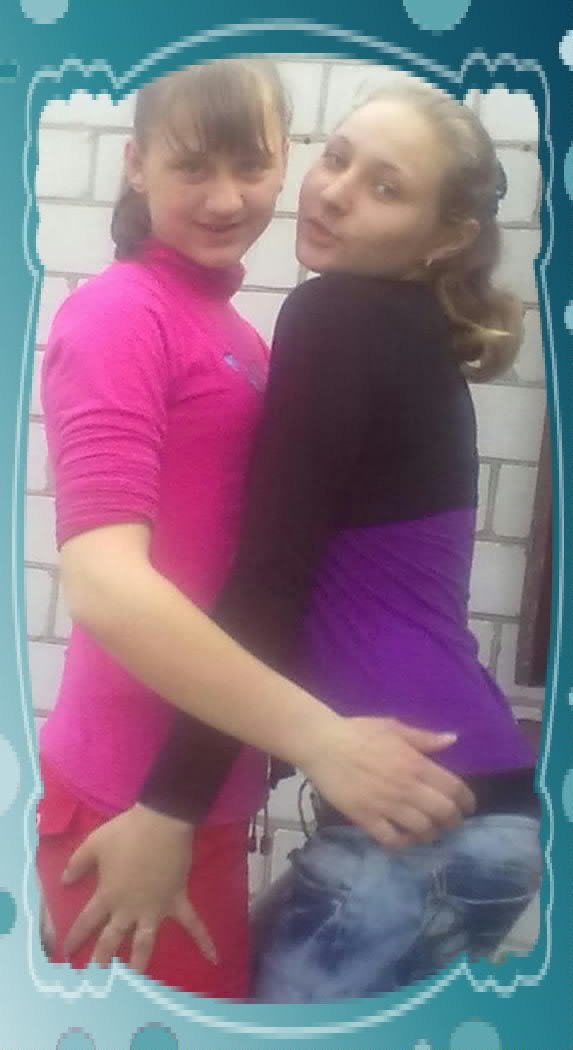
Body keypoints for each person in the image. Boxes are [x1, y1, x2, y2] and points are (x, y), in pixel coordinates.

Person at [51, 77, 542, 1003]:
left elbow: (271, 580)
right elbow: (283, 583)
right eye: (338, 158)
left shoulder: (331, 318)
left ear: (446, 237)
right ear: (137, 165)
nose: (336, 192)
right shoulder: (379, 332)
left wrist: (176, 802)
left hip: (411, 808)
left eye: (385, 187)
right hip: (451, 792)